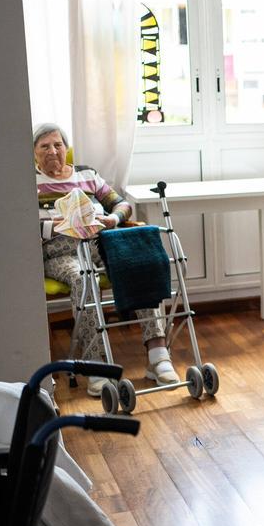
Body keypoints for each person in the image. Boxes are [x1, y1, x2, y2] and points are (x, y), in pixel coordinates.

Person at [34, 123, 180, 395]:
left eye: (57, 144)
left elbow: (121, 204)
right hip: (60, 251)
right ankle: (95, 364)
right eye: (44, 146)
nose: (53, 151)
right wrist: (54, 225)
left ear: (66, 149)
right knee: (83, 279)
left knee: (139, 265)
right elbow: (20, 225)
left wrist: (113, 219)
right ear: (34, 153)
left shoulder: (86, 174)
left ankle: (158, 354)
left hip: (101, 242)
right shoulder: (29, 181)